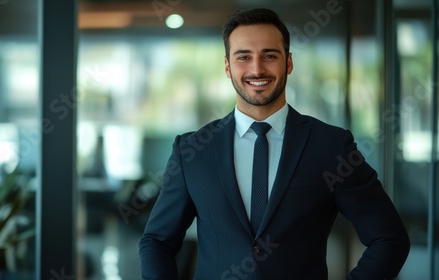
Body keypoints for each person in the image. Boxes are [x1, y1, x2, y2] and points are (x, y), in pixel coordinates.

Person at [139, 7, 410, 280]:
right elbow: (157, 242)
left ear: (288, 63)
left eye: (269, 56)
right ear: (227, 66)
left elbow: (389, 239)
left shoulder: (331, 146)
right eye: (243, 57)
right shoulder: (191, 152)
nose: (257, 68)